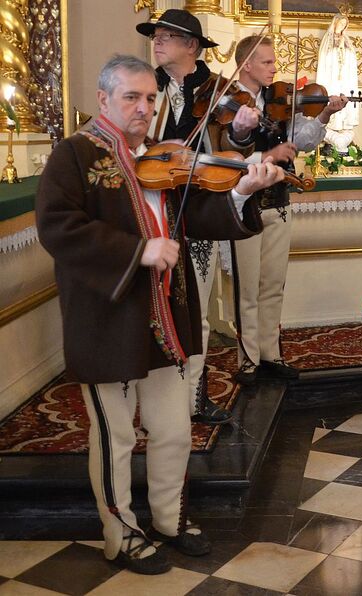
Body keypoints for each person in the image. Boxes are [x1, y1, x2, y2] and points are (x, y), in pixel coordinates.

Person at [34, 55, 283, 575]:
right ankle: (119, 532)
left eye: (150, 98)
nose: (144, 108)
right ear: (103, 99)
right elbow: (58, 228)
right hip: (108, 321)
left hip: (169, 317)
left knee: (172, 429)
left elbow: (200, 214)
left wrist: (241, 190)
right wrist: (138, 251)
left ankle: (168, 520)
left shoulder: (163, 157)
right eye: (132, 97)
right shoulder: (74, 156)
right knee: (116, 436)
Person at [137, 8, 251, 425]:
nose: (158, 41)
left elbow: (238, 139)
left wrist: (241, 130)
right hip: (155, 207)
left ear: (191, 45)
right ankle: (158, 403)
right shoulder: (147, 86)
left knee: (196, 310)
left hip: (199, 211)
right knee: (157, 306)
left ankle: (195, 398)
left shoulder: (221, 89)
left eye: (168, 35)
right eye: (157, 35)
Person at [226, 35, 348, 385]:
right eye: (266, 62)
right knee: (247, 288)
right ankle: (247, 359)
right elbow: (225, 157)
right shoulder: (227, 103)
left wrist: (324, 113)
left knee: (273, 284)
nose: (274, 68)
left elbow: (303, 142)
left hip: (278, 203)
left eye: (274, 62)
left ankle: (270, 354)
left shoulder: (280, 100)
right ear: (246, 64)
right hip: (245, 205)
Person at [316, 13, 359, 153]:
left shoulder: (346, 42)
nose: (342, 27)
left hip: (344, 78)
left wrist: (345, 53)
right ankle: (332, 130)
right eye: (340, 24)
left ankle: (343, 131)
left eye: (344, 25)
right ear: (335, 24)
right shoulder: (328, 42)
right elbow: (325, 60)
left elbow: (351, 59)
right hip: (332, 78)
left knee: (346, 99)